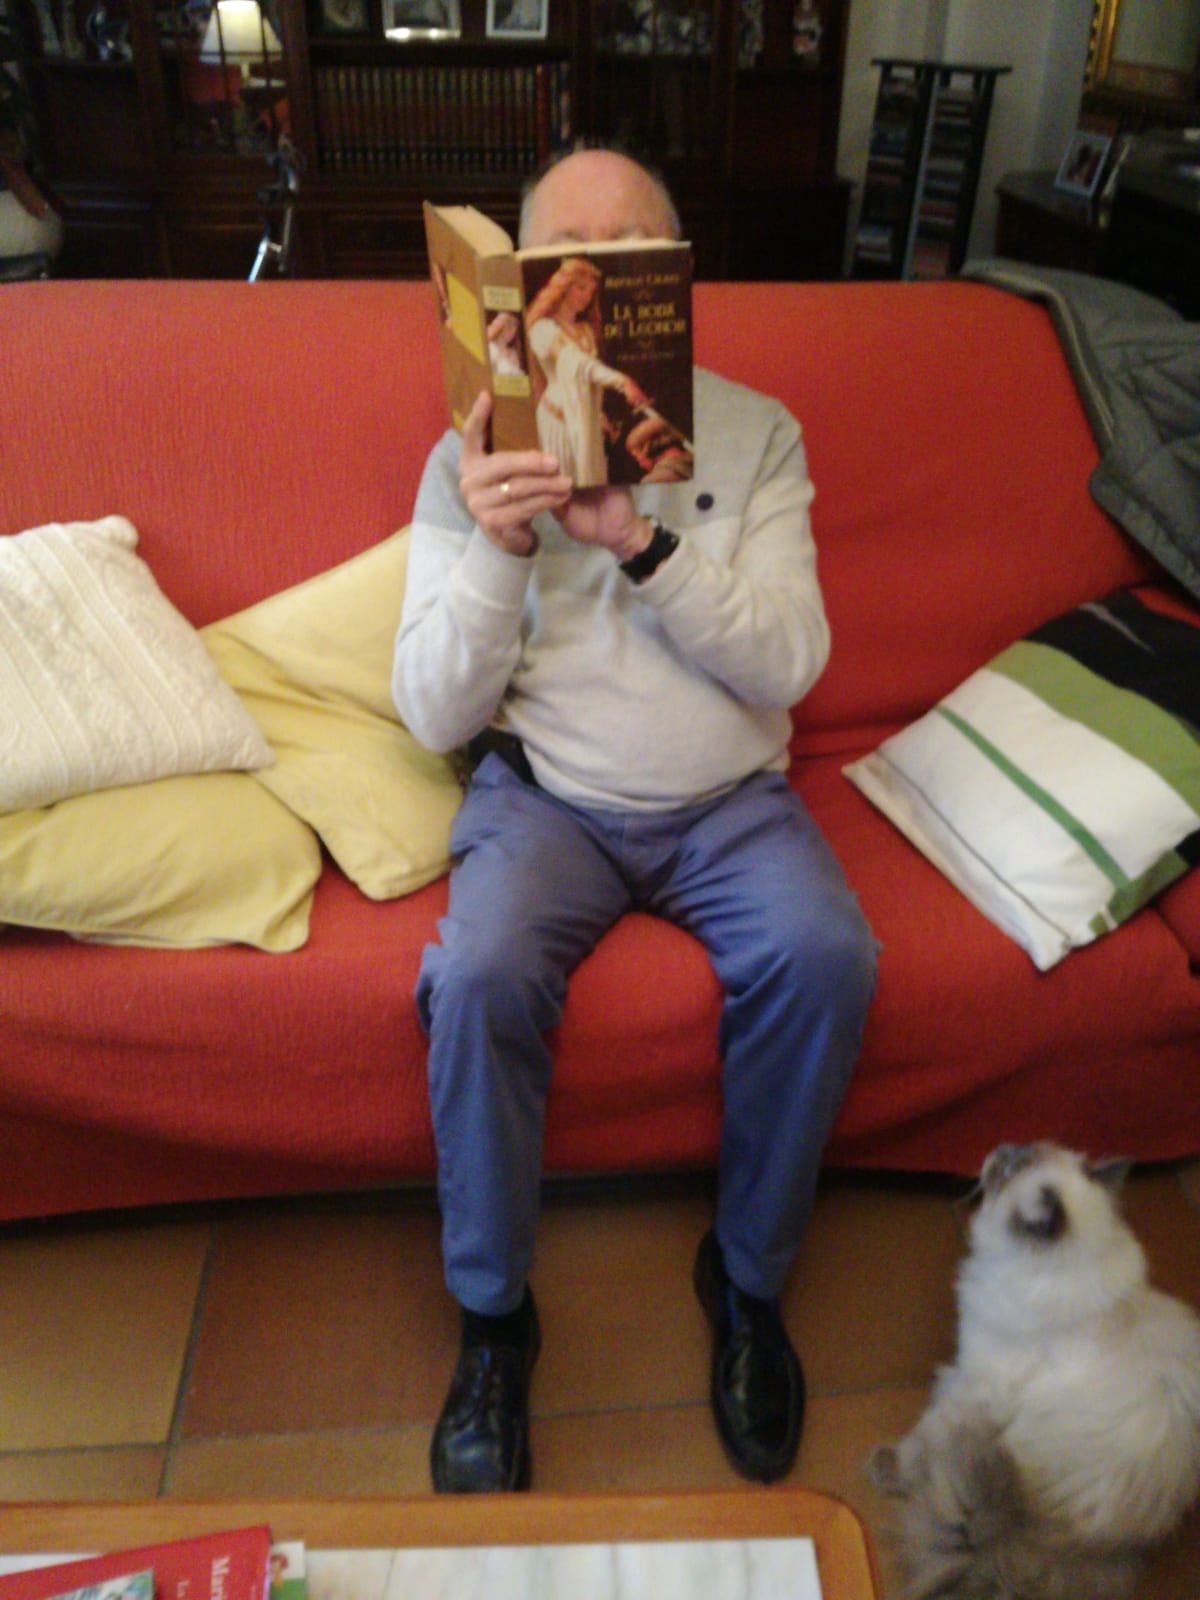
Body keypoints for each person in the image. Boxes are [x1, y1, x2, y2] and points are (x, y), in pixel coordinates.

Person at [392, 145, 877, 1495]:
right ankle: (494, 1317)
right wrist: (500, 550)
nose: (591, 286)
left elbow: (790, 663)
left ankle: (747, 1283)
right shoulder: (465, 455)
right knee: (477, 975)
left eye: (624, 253)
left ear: (673, 280)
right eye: (564, 257)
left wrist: (640, 543)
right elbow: (431, 712)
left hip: (731, 801)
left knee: (828, 953)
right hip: (549, 798)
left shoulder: (759, 431)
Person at [523, 254, 648, 483]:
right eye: (580, 288)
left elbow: (588, 380)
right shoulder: (542, 328)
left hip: (586, 423)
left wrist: (597, 414)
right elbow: (577, 363)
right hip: (557, 421)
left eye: (591, 292)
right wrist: (622, 381)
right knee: (562, 483)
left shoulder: (586, 330)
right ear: (563, 287)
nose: (586, 297)